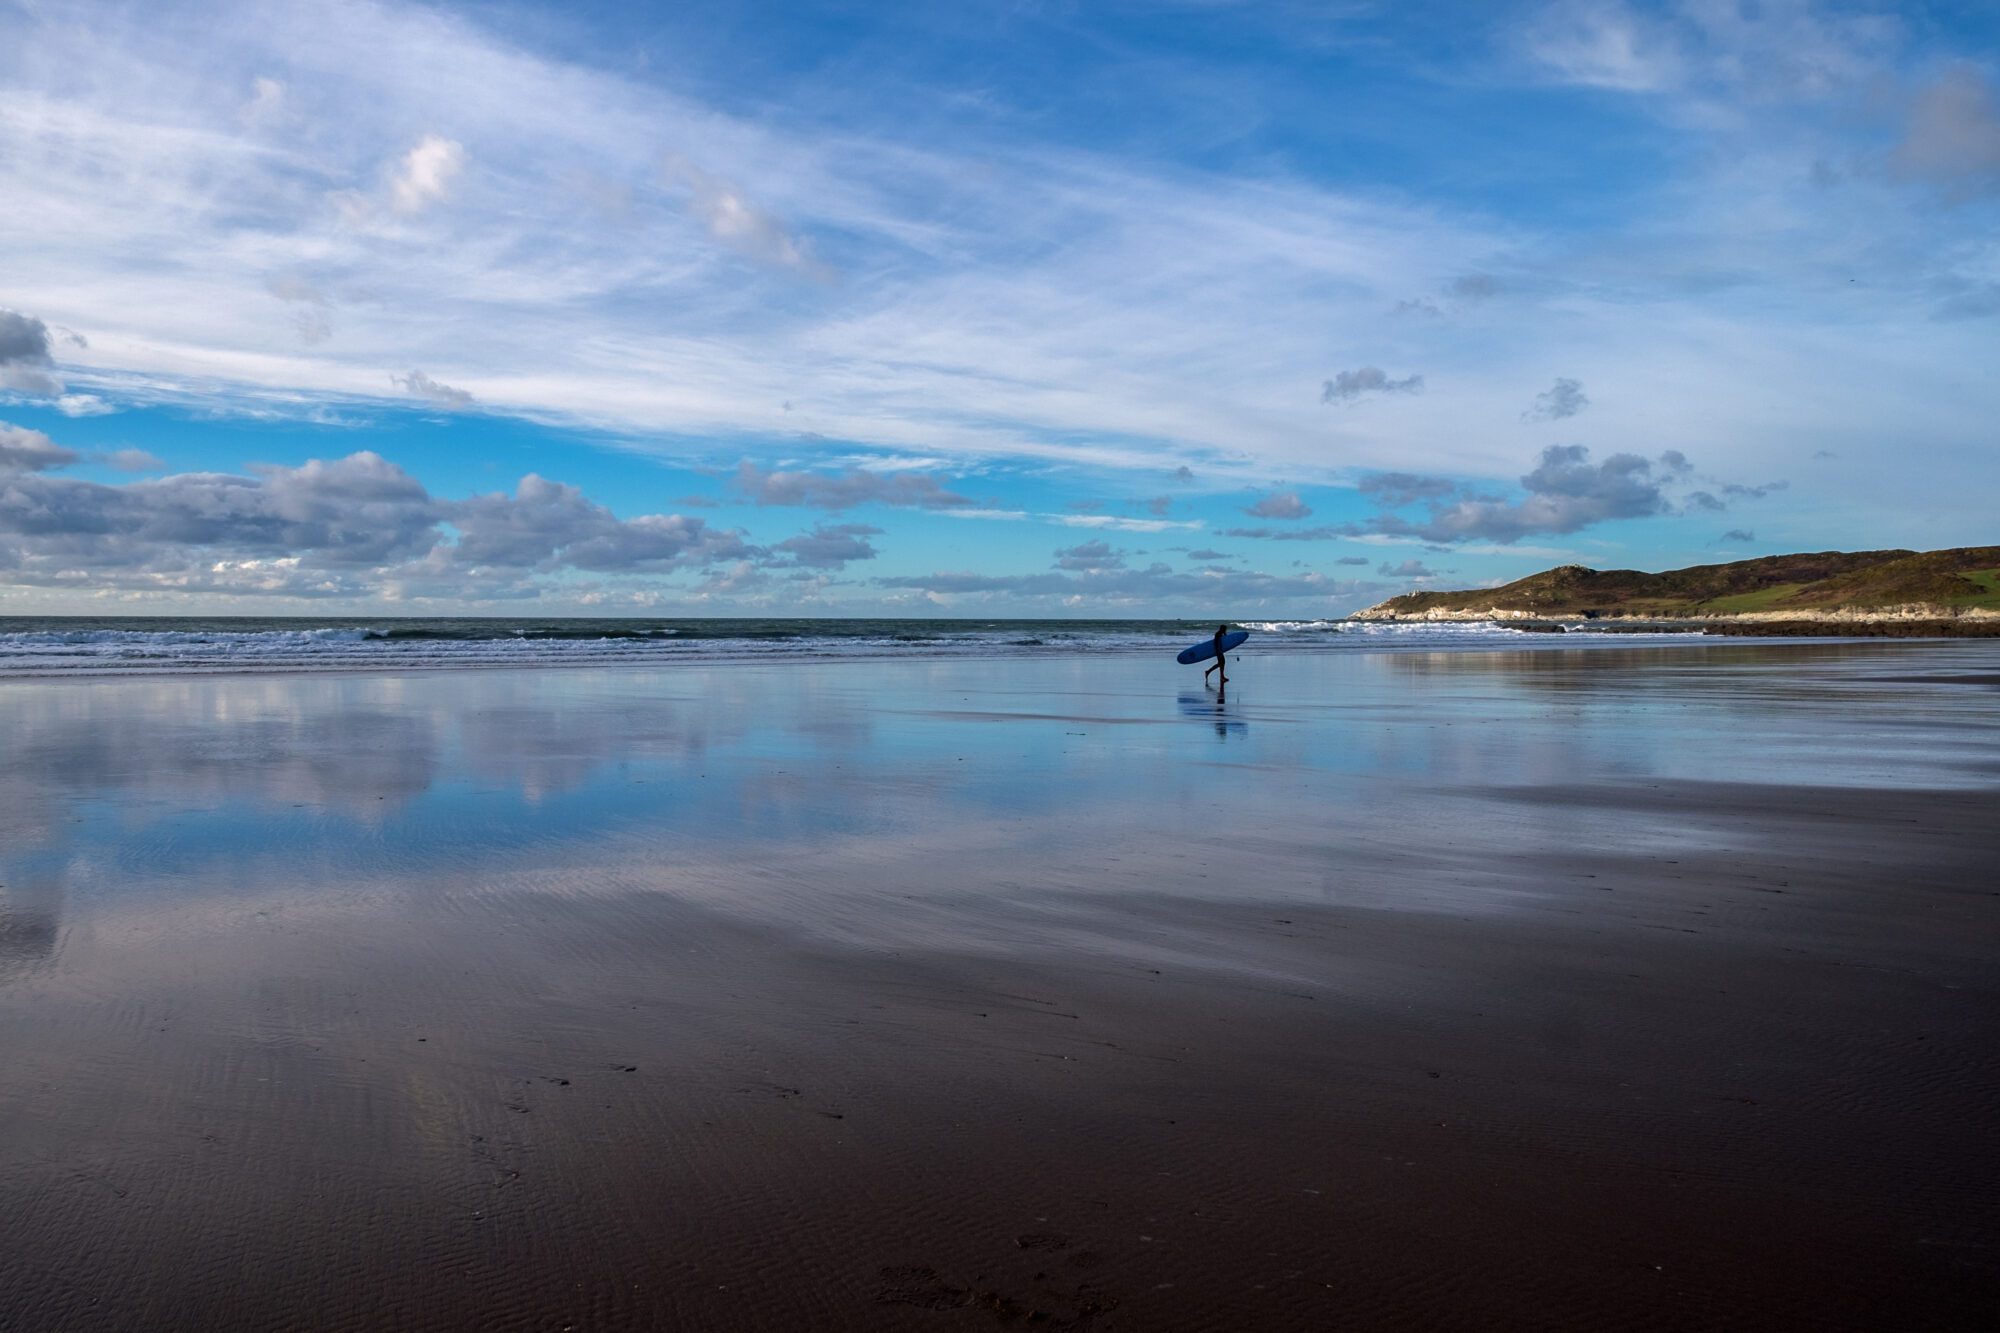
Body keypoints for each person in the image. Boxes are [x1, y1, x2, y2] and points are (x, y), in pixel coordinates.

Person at [1203, 623, 1230, 689]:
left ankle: (1221, 676)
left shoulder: (1220, 634)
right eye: (1225, 629)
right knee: (1221, 663)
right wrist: (1219, 651)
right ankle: (1209, 672)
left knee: (1221, 663)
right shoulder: (1218, 634)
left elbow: (1225, 640)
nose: (1226, 630)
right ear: (1222, 629)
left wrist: (1225, 634)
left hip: (1220, 650)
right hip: (1218, 651)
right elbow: (1216, 643)